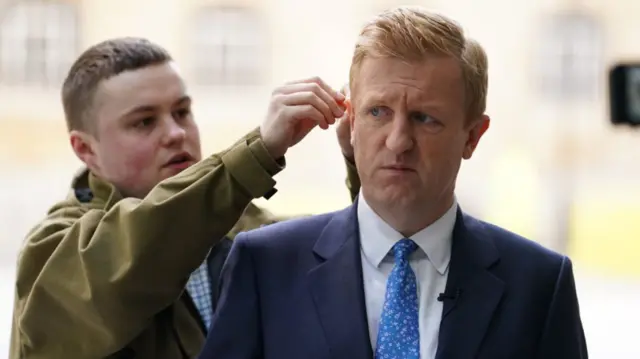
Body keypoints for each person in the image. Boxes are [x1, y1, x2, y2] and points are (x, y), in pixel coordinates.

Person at [198, 6, 588, 359]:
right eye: (378, 112)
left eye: (425, 118)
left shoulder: (537, 284)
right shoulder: (265, 265)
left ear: (472, 136)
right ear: (350, 123)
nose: (398, 141)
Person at [9, 37, 360, 358]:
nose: (175, 134)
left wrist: (364, 158)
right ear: (86, 149)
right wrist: (256, 154)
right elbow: (135, 254)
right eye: (144, 122)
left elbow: (367, 265)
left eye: (182, 112)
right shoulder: (53, 253)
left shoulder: (246, 232)